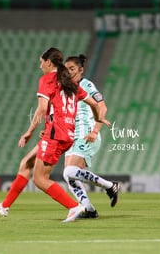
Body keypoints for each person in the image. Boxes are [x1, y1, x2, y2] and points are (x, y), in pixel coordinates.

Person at [0, 47, 111, 222]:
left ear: (49, 62)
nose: (40, 66)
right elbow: (95, 105)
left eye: (41, 62)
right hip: (65, 134)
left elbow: (42, 108)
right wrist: (98, 120)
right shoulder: (70, 83)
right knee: (26, 162)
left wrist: (28, 132)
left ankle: (74, 207)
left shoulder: (48, 79)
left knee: (40, 179)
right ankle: (5, 206)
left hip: (56, 134)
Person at [63, 54, 120, 218]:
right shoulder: (66, 89)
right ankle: (88, 208)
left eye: (72, 69)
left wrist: (95, 130)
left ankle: (109, 186)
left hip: (86, 133)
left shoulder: (87, 85)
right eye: (65, 69)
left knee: (69, 172)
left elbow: (102, 107)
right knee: (69, 175)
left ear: (81, 70)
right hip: (72, 137)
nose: (68, 72)